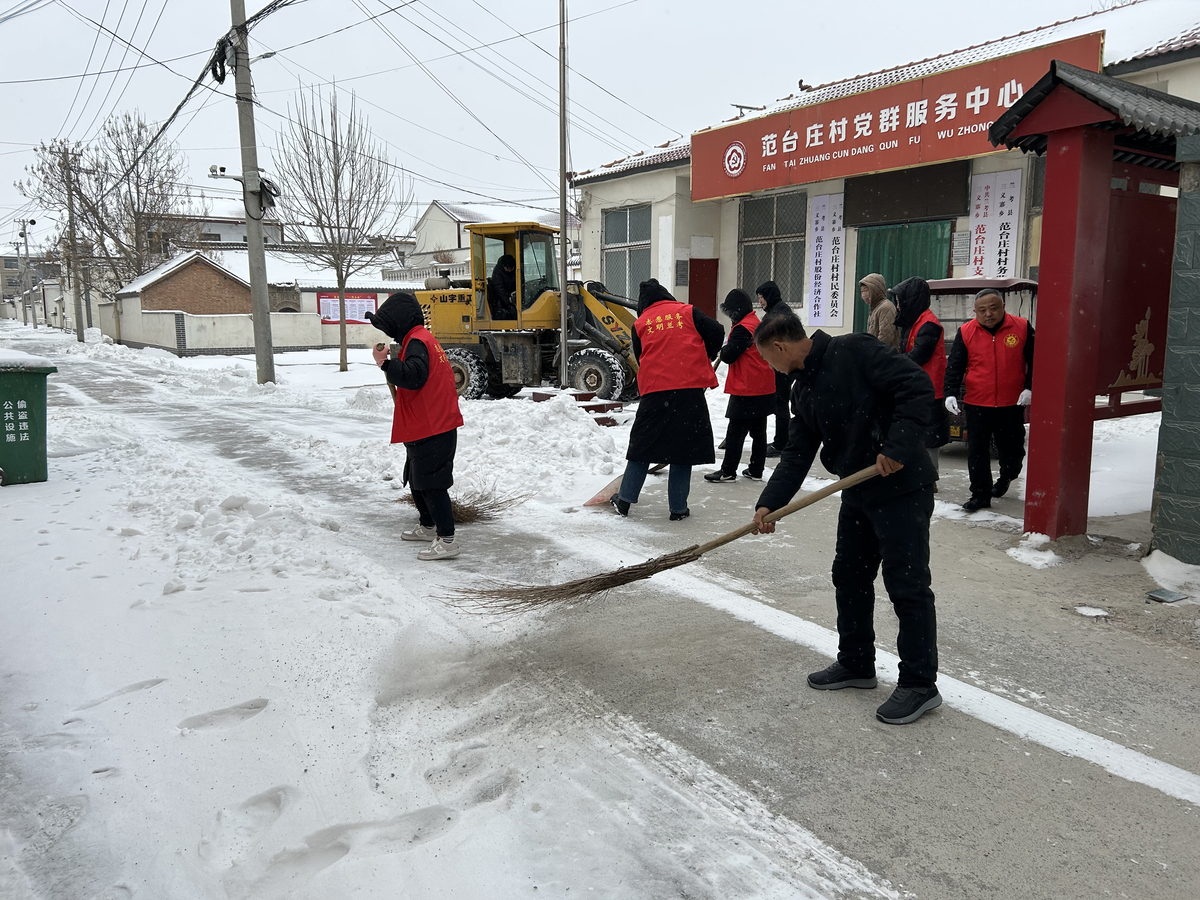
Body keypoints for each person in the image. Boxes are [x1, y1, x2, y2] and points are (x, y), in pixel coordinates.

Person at [750, 313, 941, 725]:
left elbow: (916, 386)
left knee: (906, 585)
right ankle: (856, 662)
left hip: (901, 487)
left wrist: (897, 446)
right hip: (857, 490)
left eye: (768, 359)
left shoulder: (853, 350)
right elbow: (798, 452)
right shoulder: (803, 388)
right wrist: (771, 503)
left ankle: (920, 684)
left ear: (780, 347)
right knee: (849, 576)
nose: (770, 367)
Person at [612, 278, 724, 520]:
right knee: (683, 450)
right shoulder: (688, 312)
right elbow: (717, 331)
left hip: (656, 393)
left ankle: (624, 501)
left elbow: (641, 357)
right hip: (689, 391)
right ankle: (678, 509)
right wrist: (706, 353)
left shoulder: (641, 323)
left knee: (642, 448)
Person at [367, 291, 465, 560]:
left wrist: (386, 364)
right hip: (427, 424)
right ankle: (427, 525)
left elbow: (414, 376)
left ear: (400, 320)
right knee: (417, 479)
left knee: (432, 484)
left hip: (434, 426)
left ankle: (447, 540)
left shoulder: (419, 342)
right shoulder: (418, 339)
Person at [943, 288, 1035, 512]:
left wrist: (1030, 387)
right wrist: (950, 392)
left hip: (1011, 403)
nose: (988, 314)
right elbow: (955, 366)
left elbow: (1037, 361)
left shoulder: (1021, 327)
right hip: (977, 403)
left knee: (1012, 450)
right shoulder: (966, 332)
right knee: (977, 451)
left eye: (994, 308)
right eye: (982, 310)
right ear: (975, 312)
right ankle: (980, 494)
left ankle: (1007, 476)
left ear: (1003, 307)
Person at [705, 289, 775, 483]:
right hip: (763, 384)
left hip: (748, 387)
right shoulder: (755, 323)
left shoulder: (744, 328)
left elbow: (728, 356)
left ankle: (727, 471)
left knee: (735, 432)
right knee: (759, 431)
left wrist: (724, 347)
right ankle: (756, 469)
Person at [891, 276, 949, 479]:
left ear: (911, 299)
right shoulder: (914, 322)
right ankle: (919, 474)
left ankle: (930, 477)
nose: (897, 306)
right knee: (916, 432)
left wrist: (892, 362)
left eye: (899, 300)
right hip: (917, 387)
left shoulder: (928, 324)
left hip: (929, 389)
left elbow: (918, 356)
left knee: (930, 436)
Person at [755, 280, 794, 457]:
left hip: (784, 363)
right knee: (780, 402)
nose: (760, 301)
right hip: (781, 362)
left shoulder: (779, 313)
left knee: (781, 403)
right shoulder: (776, 310)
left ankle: (781, 443)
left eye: (762, 297)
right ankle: (782, 439)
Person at [859, 273, 900, 350]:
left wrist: (873, 352)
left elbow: (885, 337)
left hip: (885, 357)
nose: (864, 294)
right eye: (862, 291)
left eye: (866, 290)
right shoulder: (875, 308)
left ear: (875, 290)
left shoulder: (885, 307)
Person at [488, 254, 518, 319]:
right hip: (498, 299)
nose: (509, 270)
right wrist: (508, 304)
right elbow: (500, 290)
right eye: (507, 268)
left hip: (509, 295)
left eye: (511, 268)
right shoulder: (497, 273)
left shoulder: (516, 271)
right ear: (503, 266)